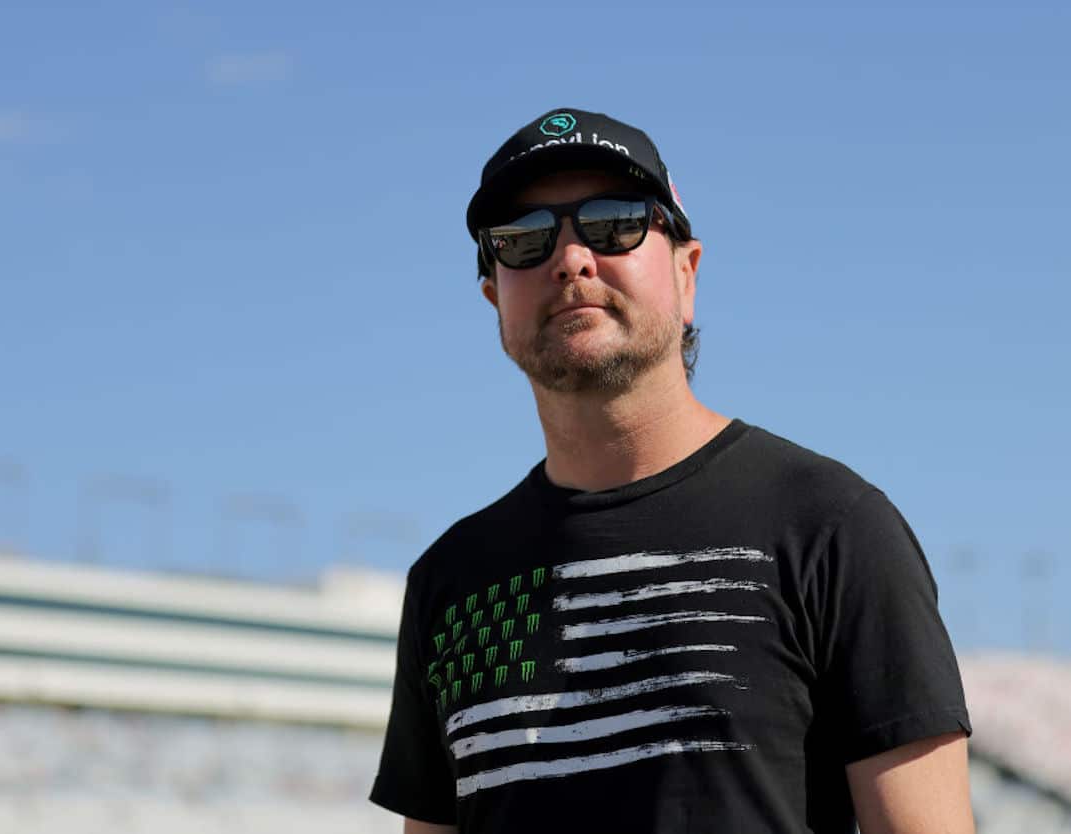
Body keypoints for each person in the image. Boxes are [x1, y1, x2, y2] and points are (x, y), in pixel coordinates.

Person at [369, 107, 974, 834]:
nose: (571, 259)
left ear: (686, 273)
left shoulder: (830, 528)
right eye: (523, 239)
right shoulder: (452, 582)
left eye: (615, 223)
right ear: (495, 296)